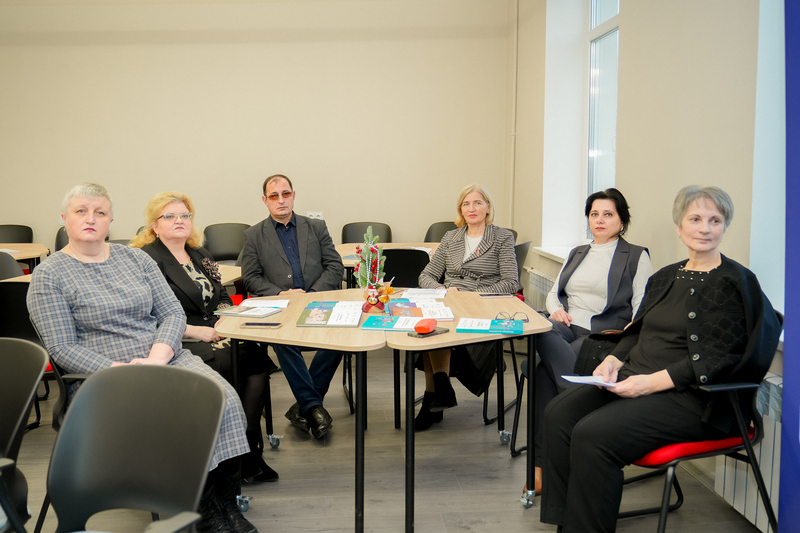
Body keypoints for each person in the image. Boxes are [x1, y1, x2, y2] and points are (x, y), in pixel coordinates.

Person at [539, 186, 781, 533]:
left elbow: (719, 357)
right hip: (635, 379)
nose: (704, 228)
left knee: (593, 435)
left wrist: (649, 384)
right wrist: (614, 361)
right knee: (559, 413)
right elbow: (637, 330)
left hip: (693, 398)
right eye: (695, 219)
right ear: (679, 227)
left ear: (725, 226)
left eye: (715, 220)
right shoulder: (667, 276)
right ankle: (569, 522)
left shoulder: (734, 282)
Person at [27, 183, 260, 533]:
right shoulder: (49, 275)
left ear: (111, 221)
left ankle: (227, 504)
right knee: (182, 413)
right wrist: (121, 371)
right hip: (104, 379)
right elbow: (62, 348)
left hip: (162, 357)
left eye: (100, 212)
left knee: (224, 399)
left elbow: (171, 314)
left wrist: (156, 359)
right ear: (64, 219)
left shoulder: (135, 259)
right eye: (81, 211)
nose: (91, 219)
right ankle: (204, 511)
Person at [130, 191, 278, 483]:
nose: (179, 221)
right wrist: (195, 330)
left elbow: (222, 294)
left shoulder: (200, 254)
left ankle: (248, 448)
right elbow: (146, 314)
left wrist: (225, 317)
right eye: (169, 216)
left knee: (256, 359)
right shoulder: (147, 260)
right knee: (226, 362)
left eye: (185, 215)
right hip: (180, 336)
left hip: (217, 329)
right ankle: (228, 459)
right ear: (154, 225)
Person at [532, 188, 652, 494]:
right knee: (537, 326)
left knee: (542, 373)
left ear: (622, 220)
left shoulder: (636, 255)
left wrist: (632, 328)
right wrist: (556, 310)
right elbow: (554, 293)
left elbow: (642, 305)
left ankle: (540, 467)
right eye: (594, 214)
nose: (599, 220)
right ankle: (575, 392)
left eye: (608, 214)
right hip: (565, 326)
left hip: (601, 336)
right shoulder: (577, 252)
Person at [241, 174, 345, 440]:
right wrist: (281, 294)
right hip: (282, 306)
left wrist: (312, 295)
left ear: (293, 196)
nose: (281, 200)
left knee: (339, 338)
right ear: (265, 200)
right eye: (274, 196)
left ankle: (304, 407)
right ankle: (313, 407)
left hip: (318, 302)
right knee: (282, 340)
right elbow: (250, 278)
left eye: (285, 194)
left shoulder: (316, 227)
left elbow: (335, 266)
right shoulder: (253, 235)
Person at [416, 183, 520, 430]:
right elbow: (426, 276)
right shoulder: (451, 237)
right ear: (460, 210)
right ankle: (440, 390)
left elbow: (511, 282)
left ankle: (433, 396)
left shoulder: (502, 237)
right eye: (466, 204)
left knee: (437, 327)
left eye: (477, 203)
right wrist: (441, 290)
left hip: (482, 304)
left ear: (488, 208)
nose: (471, 208)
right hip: (450, 300)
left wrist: (471, 295)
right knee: (431, 324)